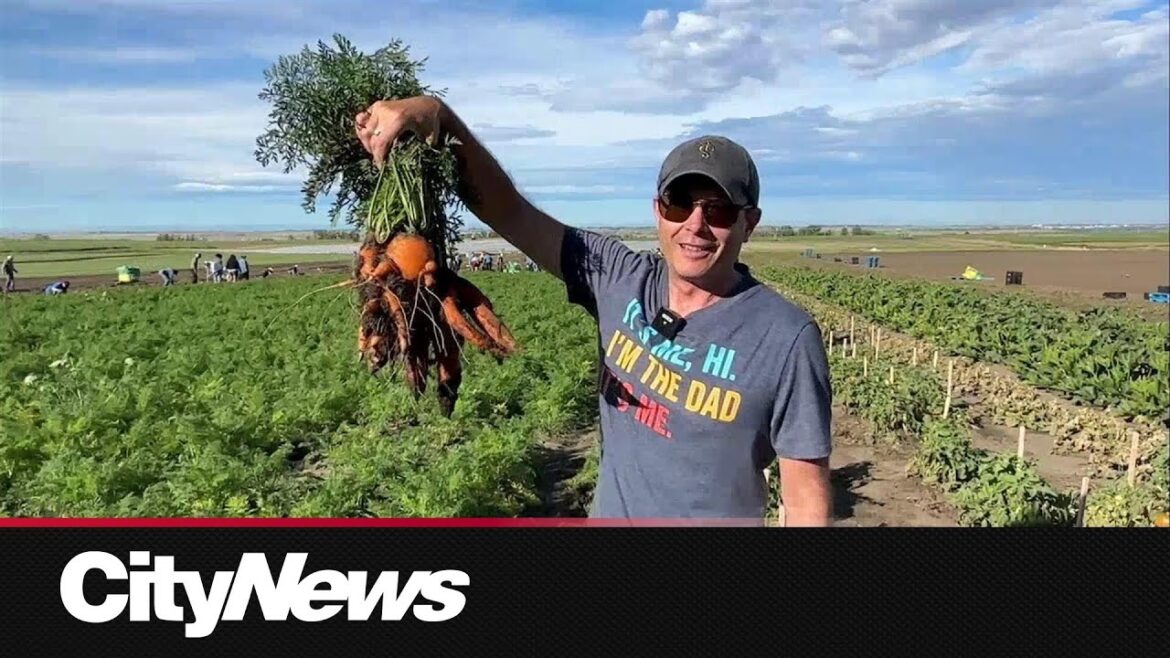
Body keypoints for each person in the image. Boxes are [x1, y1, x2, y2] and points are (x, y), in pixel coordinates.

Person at [354, 96, 833, 525]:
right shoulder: (619, 278)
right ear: (657, 210)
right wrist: (437, 117)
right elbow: (510, 211)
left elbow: (805, 503)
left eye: (719, 210)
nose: (695, 224)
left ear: (750, 223)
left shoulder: (785, 337)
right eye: (679, 203)